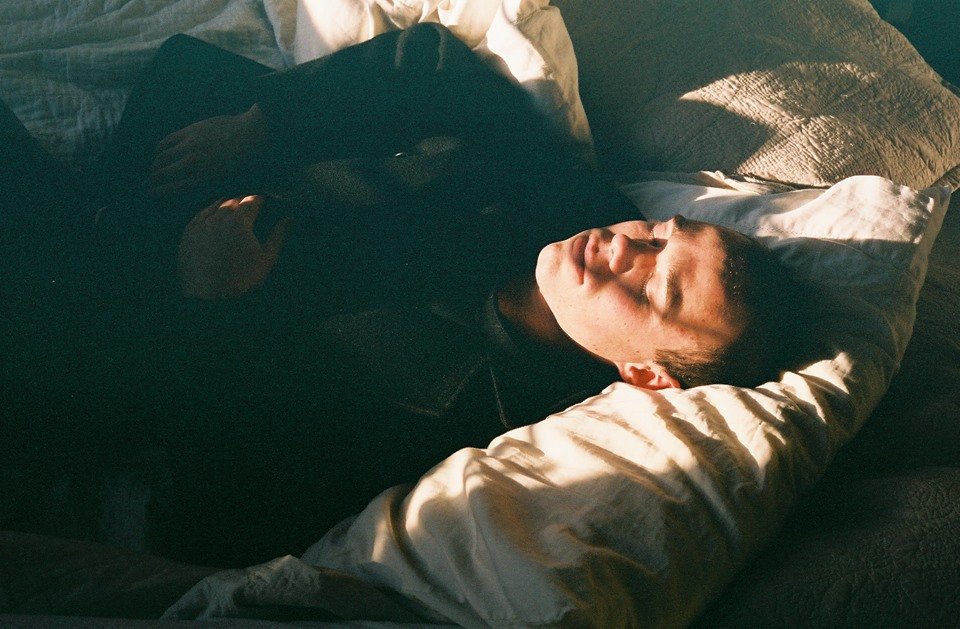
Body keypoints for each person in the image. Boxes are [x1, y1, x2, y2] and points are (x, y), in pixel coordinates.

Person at [0, 24, 806, 566]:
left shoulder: (453, 416)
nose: (626, 247)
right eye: (661, 234)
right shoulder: (570, 202)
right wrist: (265, 122)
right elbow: (433, 63)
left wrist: (211, 297)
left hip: (117, 315)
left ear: (647, 374)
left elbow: (231, 504)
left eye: (655, 287)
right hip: (183, 160)